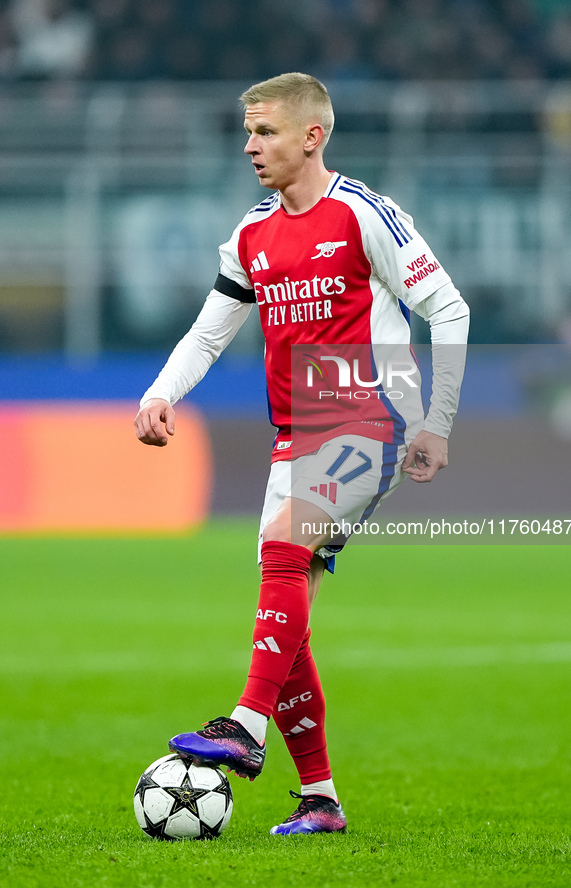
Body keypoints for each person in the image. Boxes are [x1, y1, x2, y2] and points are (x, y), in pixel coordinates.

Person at [134, 72, 469, 836]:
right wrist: (161, 393)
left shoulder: (362, 214)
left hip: (372, 412)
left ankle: (246, 728)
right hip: (298, 431)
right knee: (286, 615)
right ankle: (320, 799)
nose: (250, 146)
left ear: (311, 136)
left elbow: (447, 306)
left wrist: (437, 423)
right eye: (248, 132)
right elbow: (209, 333)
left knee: (284, 549)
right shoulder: (251, 232)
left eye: (265, 132)